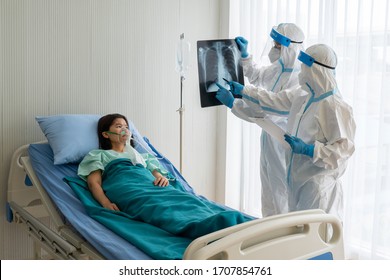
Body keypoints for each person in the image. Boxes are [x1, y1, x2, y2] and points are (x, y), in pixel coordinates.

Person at [216, 44, 356, 222]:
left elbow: (342, 152)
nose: (301, 72)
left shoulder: (334, 106)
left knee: (316, 241)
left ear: (317, 70)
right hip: (297, 181)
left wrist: (310, 150)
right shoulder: (304, 95)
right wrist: (244, 91)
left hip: (319, 190)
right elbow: (273, 101)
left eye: (305, 67)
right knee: (295, 237)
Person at [77, 113, 252, 239]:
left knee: (184, 199)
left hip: (152, 186)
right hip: (127, 188)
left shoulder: (142, 156)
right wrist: (106, 203)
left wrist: (161, 177)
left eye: (126, 126)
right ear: (106, 134)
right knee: (158, 207)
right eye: (118, 126)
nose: (124, 129)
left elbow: (157, 172)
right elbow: (94, 183)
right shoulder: (99, 155)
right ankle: (206, 227)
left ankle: (229, 221)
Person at [216, 23, 305, 217]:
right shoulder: (281, 66)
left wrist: (235, 103)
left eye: (277, 46)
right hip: (268, 141)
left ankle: (285, 241)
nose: (274, 49)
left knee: (281, 193)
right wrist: (246, 56)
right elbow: (259, 76)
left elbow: (268, 111)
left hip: (282, 143)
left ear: (290, 47)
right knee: (268, 192)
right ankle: (269, 237)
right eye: (273, 44)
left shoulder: (299, 77)